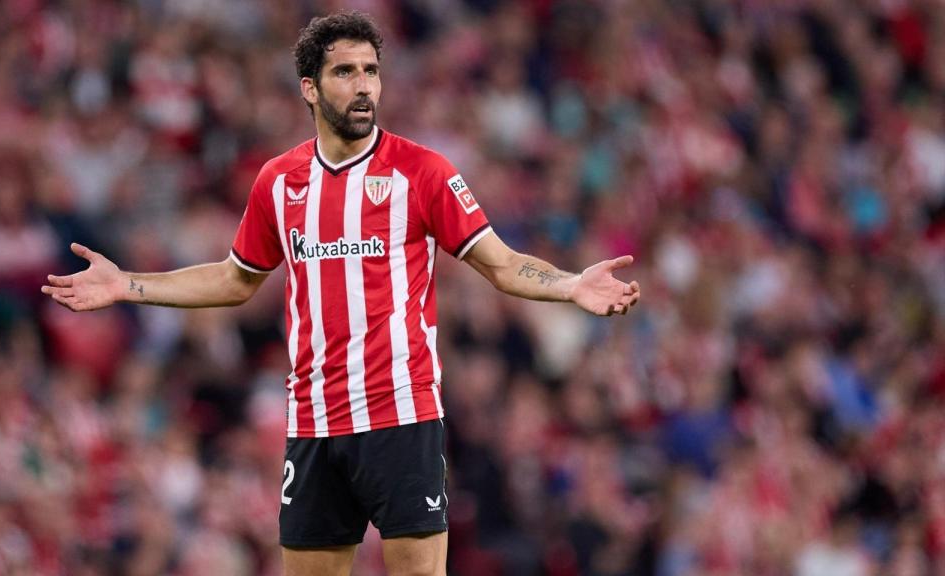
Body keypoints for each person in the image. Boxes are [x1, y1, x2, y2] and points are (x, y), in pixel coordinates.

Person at [41, 11, 641, 576]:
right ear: (309, 87)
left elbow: (503, 266)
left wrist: (570, 285)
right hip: (314, 425)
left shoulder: (423, 172)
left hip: (403, 417)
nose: (363, 86)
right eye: (345, 71)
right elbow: (235, 278)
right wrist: (128, 285)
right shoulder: (279, 181)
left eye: (372, 71)